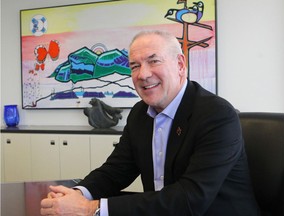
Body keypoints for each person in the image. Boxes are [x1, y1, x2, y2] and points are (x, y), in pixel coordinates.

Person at [41, 30, 259, 216]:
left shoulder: (216, 114)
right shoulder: (140, 113)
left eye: (154, 61)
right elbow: (116, 170)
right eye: (134, 66)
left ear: (180, 65)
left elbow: (190, 198)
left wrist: (91, 208)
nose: (143, 74)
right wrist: (78, 194)